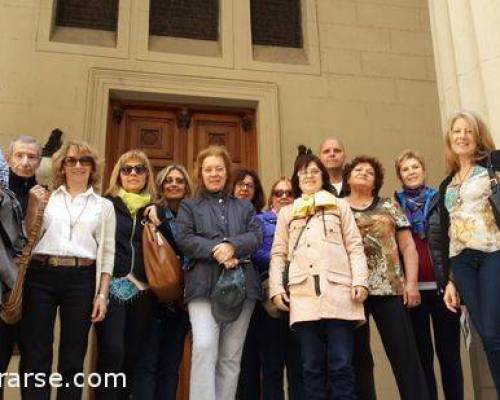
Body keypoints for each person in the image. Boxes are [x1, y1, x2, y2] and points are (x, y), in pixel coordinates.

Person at [20, 140, 115, 399]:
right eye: (71, 160)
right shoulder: (46, 196)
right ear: (62, 165)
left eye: (84, 161)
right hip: (41, 274)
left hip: (81, 278)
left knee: (73, 355)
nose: (78, 166)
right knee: (36, 350)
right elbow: (26, 236)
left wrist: (102, 295)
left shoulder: (103, 206)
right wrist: (32, 206)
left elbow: (107, 254)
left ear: (93, 167)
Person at [269, 152, 369, 400]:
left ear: (323, 176)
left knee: (342, 364)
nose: (309, 176)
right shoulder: (287, 213)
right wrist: (276, 289)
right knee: (310, 367)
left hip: (340, 292)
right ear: (297, 178)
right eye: (303, 172)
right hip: (302, 296)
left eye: (314, 171)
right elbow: (279, 253)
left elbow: (355, 246)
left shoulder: (340, 205)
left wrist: (360, 281)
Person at [175, 145, 263, 400]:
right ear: (200, 173)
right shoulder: (189, 206)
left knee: (230, 357)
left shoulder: (244, 207)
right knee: (203, 347)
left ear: (227, 172)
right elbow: (185, 238)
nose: (214, 174)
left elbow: (255, 235)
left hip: (242, 285)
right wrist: (217, 249)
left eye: (219, 169)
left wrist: (232, 246)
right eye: (208, 169)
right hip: (202, 286)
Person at [343, 155, 429, 400]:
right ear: (348, 178)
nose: (363, 173)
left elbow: (408, 247)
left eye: (369, 172)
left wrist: (411, 283)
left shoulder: (389, 206)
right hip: (353, 292)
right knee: (359, 360)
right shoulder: (337, 207)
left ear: (376, 181)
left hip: (390, 289)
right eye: (358, 169)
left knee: (405, 356)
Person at [395, 150, 463, 400]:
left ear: (424, 170)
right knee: (422, 358)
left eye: (415, 167)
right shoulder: (394, 205)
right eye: (405, 169)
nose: (411, 172)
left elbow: (456, 241)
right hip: (412, 292)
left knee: (450, 356)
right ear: (399, 176)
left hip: (444, 288)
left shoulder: (442, 198)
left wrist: (453, 281)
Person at [440, 110, 500, 394]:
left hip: (492, 253)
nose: (462, 136)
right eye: (456, 131)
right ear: (449, 139)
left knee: (492, 331)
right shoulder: (446, 183)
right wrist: (450, 280)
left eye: (468, 131)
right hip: (461, 263)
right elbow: (448, 230)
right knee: (487, 338)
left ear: (477, 137)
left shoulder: (493, 165)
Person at [95, 149, 156, 400]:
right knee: (112, 351)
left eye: (139, 169)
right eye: (127, 169)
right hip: (112, 286)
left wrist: (159, 219)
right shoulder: (106, 204)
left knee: (132, 354)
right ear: (118, 174)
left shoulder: (154, 208)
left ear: (146, 175)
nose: (133, 173)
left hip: (143, 289)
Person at [133, 163, 193, 400]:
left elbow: (187, 245)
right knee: (147, 364)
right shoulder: (149, 211)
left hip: (182, 299)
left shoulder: (193, 217)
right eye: (169, 180)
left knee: (171, 367)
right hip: (153, 297)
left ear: (187, 186)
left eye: (179, 180)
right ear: (161, 185)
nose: (174, 184)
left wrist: (164, 225)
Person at [1, 136, 42, 399]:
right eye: (20, 156)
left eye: (32, 157)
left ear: (39, 162)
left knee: (33, 357)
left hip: (34, 286)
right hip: (3, 282)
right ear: (9, 158)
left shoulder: (43, 195)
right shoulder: (2, 192)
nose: (26, 162)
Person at [232, 168, 265, 400]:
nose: (244, 188)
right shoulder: (217, 215)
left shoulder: (260, 220)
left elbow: (261, 251)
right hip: (221, 293)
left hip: (252, 294)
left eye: (249, 185)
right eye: (240, 184)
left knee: (249, 358)